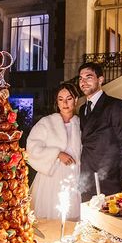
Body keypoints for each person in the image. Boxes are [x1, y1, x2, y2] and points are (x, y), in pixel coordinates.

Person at [78, 62, 122, 202]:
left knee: (109, 220)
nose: (83, 82)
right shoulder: (82, 109)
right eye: (80, 78)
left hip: (109, 177)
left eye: (88, 77)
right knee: (87, 218)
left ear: (100, 80)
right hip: (86, 177)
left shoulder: (115, 105)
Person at [26, 83, 81, 220]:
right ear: (57, 102)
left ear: (76, 99)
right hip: (51, 177)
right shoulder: (47, 122)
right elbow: (32, 148)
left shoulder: (81, 123)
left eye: (69, 98)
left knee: (72, 217)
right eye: (61, 99)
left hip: (74, 176)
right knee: (50, 216)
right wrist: (57, 153)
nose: (65, 103)